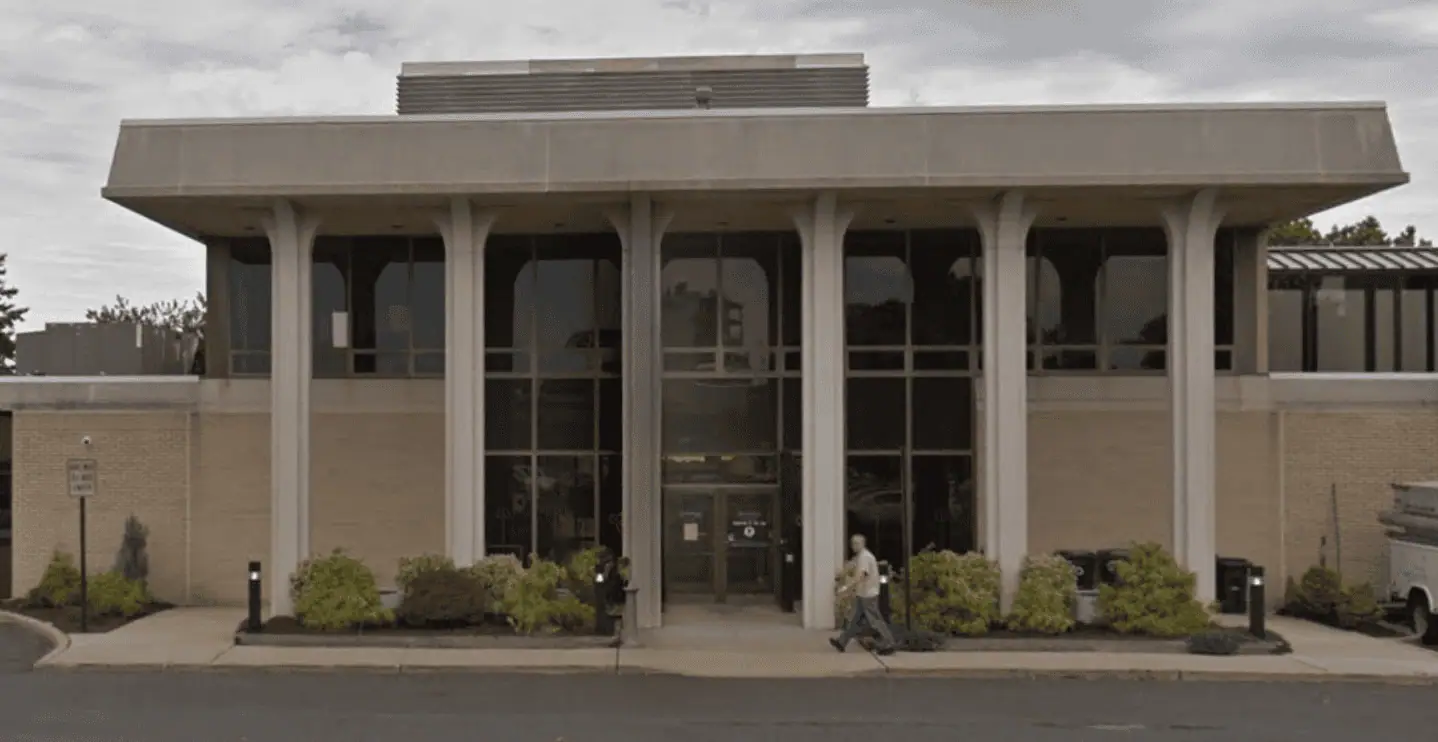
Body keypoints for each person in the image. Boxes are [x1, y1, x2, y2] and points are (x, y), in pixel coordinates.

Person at [830, 534, 896, 655]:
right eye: (852, 543)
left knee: (875, 620)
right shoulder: (860, 556)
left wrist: (845, 588)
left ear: (863, 544)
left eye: (856, 543)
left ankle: (889, 643)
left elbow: (860, 576)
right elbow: (851, 566)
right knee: (854, 620)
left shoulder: (865, 557)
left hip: (868, 594)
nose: (854, 546)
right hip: (863, 594)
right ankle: (841, 642)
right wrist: (841, 576)